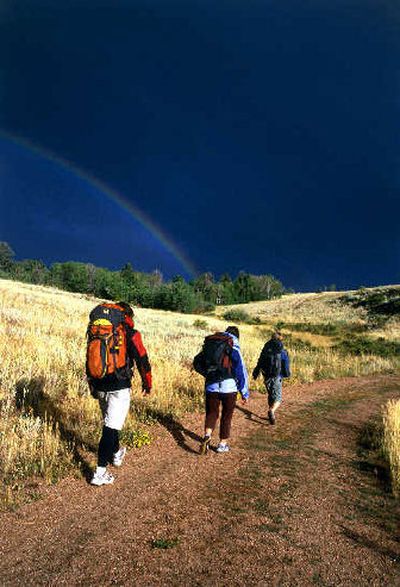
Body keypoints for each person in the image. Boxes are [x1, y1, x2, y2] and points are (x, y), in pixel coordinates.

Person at [87, 301, 152, 486]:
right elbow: (142, 359)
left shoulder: (97, 329)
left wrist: (92, 383)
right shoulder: (130, 333)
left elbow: (90, 356)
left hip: (99, 383)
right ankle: (100, 472)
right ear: (128, 317)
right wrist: (148, 384)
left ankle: (116, 454)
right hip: (119, 385)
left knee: (111, 423)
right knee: (110, 427)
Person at [193, 325, 249, 454]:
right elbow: (241, 371)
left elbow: (196, 362)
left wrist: (208, 374)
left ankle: (207, 436)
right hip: (229, 387)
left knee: (211, 413)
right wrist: (244, 392)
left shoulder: (212, 343)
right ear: (237, 336)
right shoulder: (233, 347)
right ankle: (222, 445)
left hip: (211, 385)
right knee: (226, 416)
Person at [252, 331, 290, 424]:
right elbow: (285, 363)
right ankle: (272, 411)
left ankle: (271, 413)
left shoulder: (266, 349)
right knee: (278, 398)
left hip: (266, 375)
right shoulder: (282, 351)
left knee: (271, 394)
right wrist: (287, 374)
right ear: (281, 339)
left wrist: (256, 372)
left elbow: (260, 361)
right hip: (277, 376)